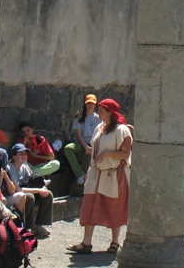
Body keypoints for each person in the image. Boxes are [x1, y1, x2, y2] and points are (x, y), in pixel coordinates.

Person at [66, 98, 132, 255]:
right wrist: (91, 170)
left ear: (110, 113)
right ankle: (86, 243)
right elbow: (94, 151)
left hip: (114, 174)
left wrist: (107, 153)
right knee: (89, 206)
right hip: (97, 173)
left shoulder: (121, 130)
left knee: (114, 207)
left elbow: (125, 153)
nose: (99, 112)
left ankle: (115, 242)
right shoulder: (99, 128)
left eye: (102, 110)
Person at [7, 143, 54, 238]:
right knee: (29, 197)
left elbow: (32, 179)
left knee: (48, 194)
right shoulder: (9, 168)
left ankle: (38, 226)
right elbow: (18, 189)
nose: (24, 156)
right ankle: (28, 227)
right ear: (14, 156)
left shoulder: (24, 166)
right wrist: (39, 190)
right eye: (21, 154)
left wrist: (42, 188)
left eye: (25, 153)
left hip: (24, 192)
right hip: (15, 196)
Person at [64, 94, 102, 185]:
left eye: (92, 103)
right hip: (83, 143)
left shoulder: (99, 118)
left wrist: (93, 147)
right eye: (88, 103)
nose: (90, 105)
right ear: (85, 104)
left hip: (95, 143)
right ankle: (80, 174)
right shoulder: (79, 117)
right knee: (68, 148)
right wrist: (86, 147)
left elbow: (100, 134)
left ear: (95, 105)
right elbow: (79, 135)